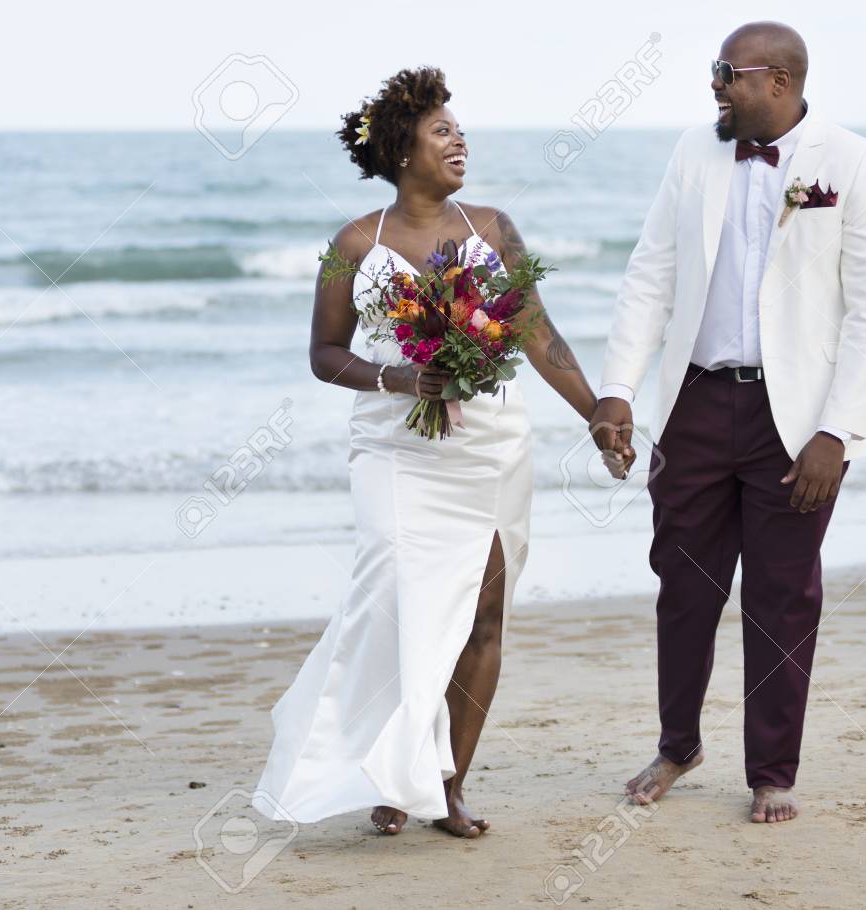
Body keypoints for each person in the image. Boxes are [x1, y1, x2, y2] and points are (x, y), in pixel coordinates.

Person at [256, 67, 597, 838]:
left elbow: (537, 334)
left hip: (490, 444)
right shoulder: (352, 244)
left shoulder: (493, 228)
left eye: (458, 128)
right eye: (442, 130)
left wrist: (597, 413)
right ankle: (387, 766)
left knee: (481, 615)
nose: (459, 140)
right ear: (402, 149)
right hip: (395, 449)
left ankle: (444, 786)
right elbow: (324, 353)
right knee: (394, 602)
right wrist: (401, 376)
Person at [593, 21, 866, 823]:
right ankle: (677, 746)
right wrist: (618, 388)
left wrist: (839, 431)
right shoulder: (694, 152)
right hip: (694, 404)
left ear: (779, 82)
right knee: (682, 588)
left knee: (782, 595)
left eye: (727, 72)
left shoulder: (855, 162)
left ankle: (772, 770)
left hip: (796, 421)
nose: (715, 85)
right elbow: (649, 275)